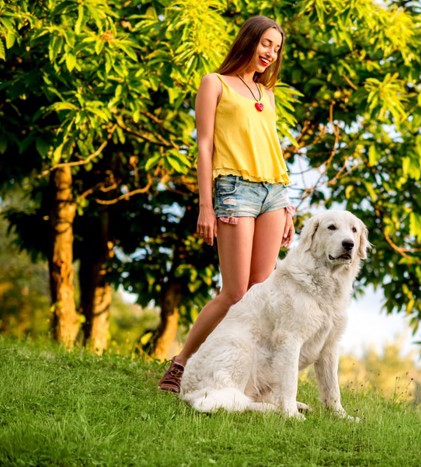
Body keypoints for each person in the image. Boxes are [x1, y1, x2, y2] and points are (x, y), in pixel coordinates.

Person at [159, 16, 294, 393]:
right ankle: (181, 364)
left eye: (277, 48)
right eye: (266, 43)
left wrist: (288, 206)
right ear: (249, 40)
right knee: (235, 291)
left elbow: (272, 148)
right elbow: (204, 146)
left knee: (260, 291)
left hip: (273, 193)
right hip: (234, 189)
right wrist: (206, 206)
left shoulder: (267, 95)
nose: (271, 53)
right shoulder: (214, 83)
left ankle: (246, 378)